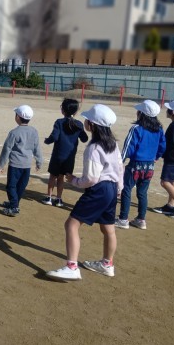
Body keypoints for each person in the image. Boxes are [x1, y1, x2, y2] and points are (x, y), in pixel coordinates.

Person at [46, 104, 124, 282]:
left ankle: (72, 267)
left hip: (99, 190)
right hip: (112, 188)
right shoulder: (113, 144)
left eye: (88, 119)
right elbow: (120, 168)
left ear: (92, 125)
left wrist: (74, 180)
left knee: (71, 225)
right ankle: (107, 264)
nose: (86, 121)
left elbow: (91, 178)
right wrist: (119, 188)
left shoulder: (94, 148)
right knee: (108, 228)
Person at [115, 100, 165, 230]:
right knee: (142, 192)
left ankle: (123, 219)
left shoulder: (136, 128)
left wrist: (120, 161)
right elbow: (162, 146)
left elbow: (128, 147)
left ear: (141, 113)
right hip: (150, 166)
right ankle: (141, 219)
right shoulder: (159, 129)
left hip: (136, 164)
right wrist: (156, 157)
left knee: (126, 189)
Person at [41, 98, 88, 207]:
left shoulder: (59, 122)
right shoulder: (78, 124)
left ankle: (49, 197)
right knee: (61, 177)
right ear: (75, 111)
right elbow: (84, 139)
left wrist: (47, 141)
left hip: (57, 155)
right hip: (69, 157)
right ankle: (58, 199)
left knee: (53, 176)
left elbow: (54, 137)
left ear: (63, 110)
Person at [0, 105, 43, 216]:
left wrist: (1, 163)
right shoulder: (34, 131)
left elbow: (7, 148)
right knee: (21, 186)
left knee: (11, 186)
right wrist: (39, 161)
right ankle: (14, 203)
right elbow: (37, 148)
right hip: (27, 165)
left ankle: (14, 206)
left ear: (18, 117)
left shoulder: (14, 132)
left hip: (15, 164)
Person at [152, 100, 174, 218]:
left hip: (173, 159)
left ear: (173, 112)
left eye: (169, 109)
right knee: (173, 180)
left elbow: (171, 144)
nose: (166, 111)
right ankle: (171, 205)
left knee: (165, 182)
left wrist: (159, 154)